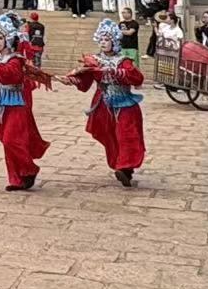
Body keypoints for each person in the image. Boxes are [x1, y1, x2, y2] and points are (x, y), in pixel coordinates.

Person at [0, 13, 50, 191]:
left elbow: (8, 73)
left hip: (17, 103)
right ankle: (16, 179)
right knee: (7, 141)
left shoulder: (16, 60)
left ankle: (29, 169)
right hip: (1, 105)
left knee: (11, 139)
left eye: (0, 37)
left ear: (9, 40)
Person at [61, 19, 146, 186]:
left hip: (124, 102)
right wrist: (71, 80)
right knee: (110, 136)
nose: (103, 43)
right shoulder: (93, 61)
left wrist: (116, 71)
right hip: (103, 103)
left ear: (114, 41)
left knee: (127, 135)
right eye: (101, 39)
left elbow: (137, 78)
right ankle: (121, 164)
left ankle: (125, 166)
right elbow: (84, 81)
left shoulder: (123, 61)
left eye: (107, 40)